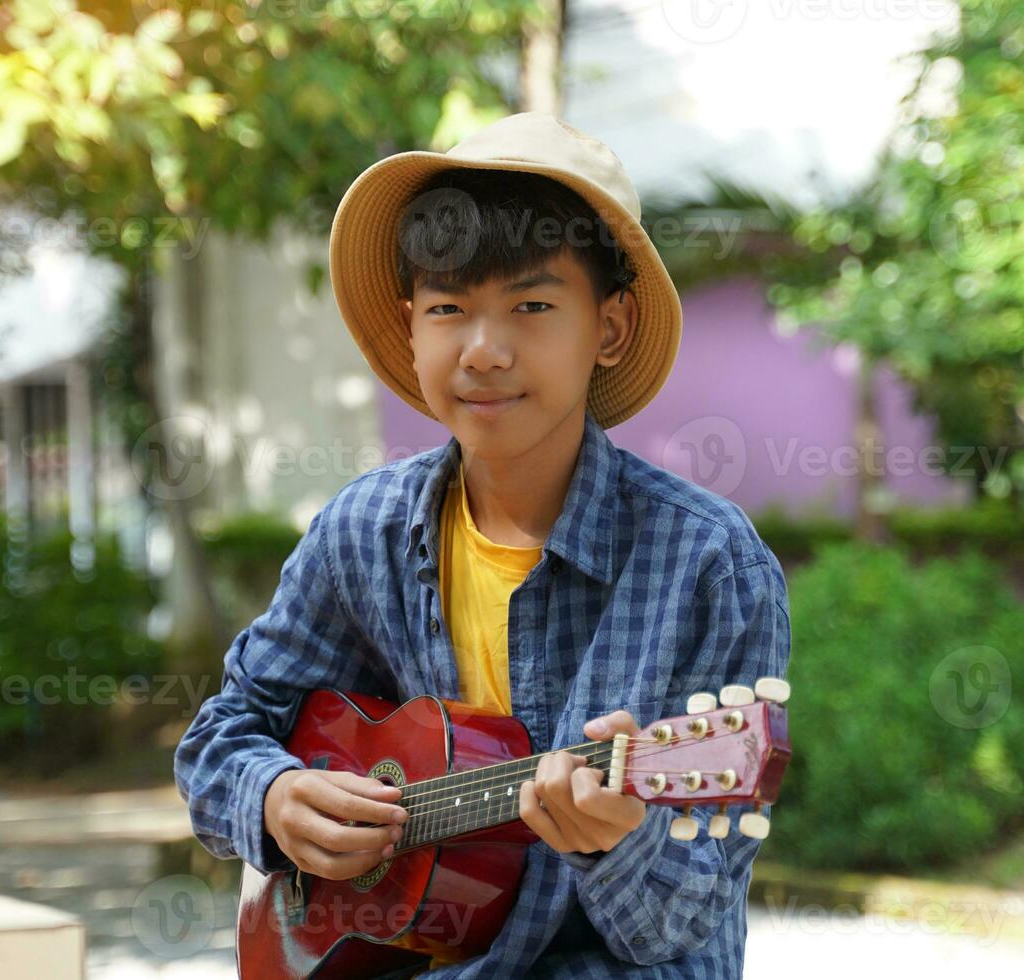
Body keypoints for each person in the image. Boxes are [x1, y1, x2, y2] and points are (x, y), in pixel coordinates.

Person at [175, 111, 791, 977]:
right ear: (413, 325)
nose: (484, 351)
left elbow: (685, 926)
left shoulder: (707, 564)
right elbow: (221, 736)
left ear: (607, 329)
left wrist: (619, 843)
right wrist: (272, 798)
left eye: (532, 306)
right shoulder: (363, 534)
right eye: (449, 309)